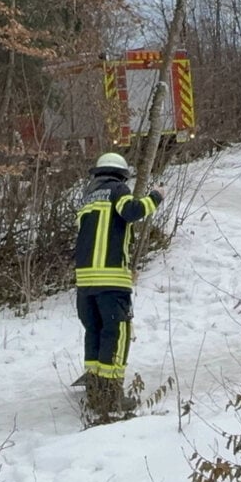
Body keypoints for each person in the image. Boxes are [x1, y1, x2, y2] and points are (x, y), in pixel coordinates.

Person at [74, 152, 164, 412]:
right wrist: (156, 196)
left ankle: (94, 388)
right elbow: (131, 211)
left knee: (95, 332)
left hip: (85, 282)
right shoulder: (117, 189)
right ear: (121, 173)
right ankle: (111, 396)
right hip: (111, 280)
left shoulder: (87, 198)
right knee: (117, 334)